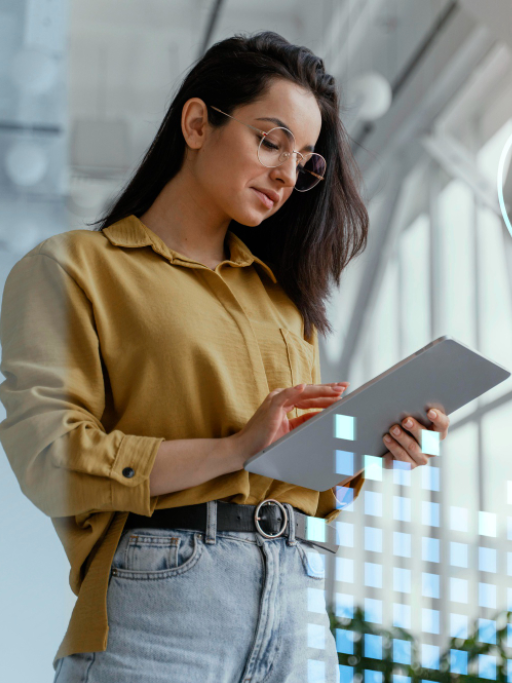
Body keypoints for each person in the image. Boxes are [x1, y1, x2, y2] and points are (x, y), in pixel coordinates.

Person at [0, 30, 450, 683]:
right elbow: (50, 458)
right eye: (270, 141)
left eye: (304, 159)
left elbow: (297, 480)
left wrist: (365, 443)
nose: (287, 173)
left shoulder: (283, 302)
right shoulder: (73, 270)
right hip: (161, 609)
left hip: (298, 607)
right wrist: (233, 448)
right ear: (196, 123)